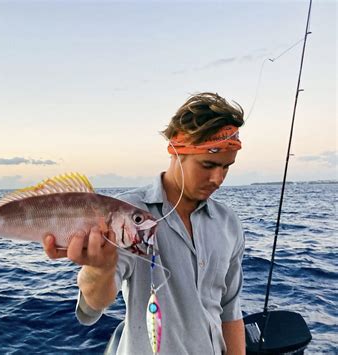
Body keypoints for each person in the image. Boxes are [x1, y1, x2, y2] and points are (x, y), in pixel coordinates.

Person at [43, 92, 246, 354]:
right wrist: (100, 269)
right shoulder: (125, 215)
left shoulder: (229, 224)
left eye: (226, 167)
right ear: (175, 151)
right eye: (208, 165)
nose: (218, 178)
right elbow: (92, 307)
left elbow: (230, 311)